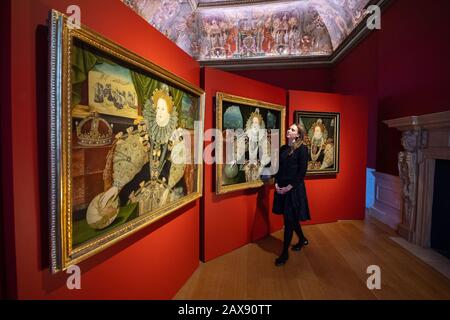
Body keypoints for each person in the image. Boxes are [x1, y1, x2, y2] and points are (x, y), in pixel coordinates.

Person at [272, 123, 311, 266]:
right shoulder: (283, 148)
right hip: (281, 187)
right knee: (291, 219)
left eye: (292, 129)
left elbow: (302, 173)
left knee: (288, 221)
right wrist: (276, 183)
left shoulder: (303, 149)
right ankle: (302, 239)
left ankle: (284, 253)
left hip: (293, 189)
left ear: (299, 135)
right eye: (289, 128)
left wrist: (289, 187)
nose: (289, 130)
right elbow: (278, 168)